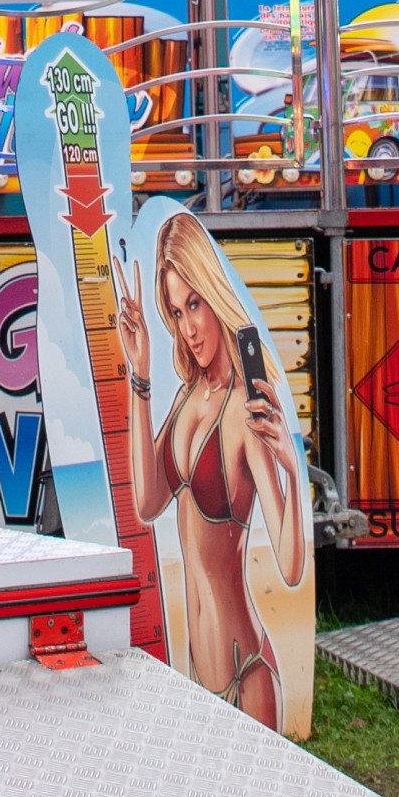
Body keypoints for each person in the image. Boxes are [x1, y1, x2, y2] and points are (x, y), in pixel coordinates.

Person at [115, 207, 307, 728]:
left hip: (249, 675)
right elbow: (148, 502)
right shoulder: (185, 398)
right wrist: (141, 376)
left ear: (213, 293)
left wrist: (289, 467)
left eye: (194, 304)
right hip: (200, 676)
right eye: (176, 312)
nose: (189, 327)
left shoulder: (246, 411)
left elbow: (290, 569)